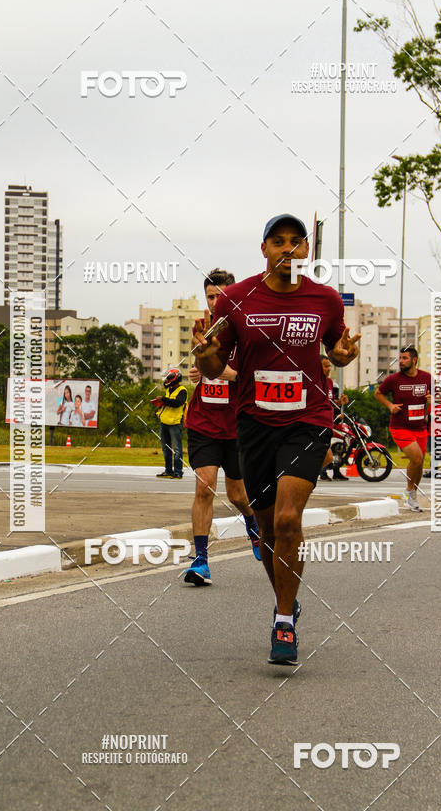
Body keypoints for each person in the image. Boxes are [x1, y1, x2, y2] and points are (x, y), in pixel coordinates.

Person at [193, 213, 360, 665]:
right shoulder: (233, 299)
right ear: (264, 249)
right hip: (254, 422)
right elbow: (214, 366)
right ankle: (287, 595)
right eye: (277, 241)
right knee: (267, 529)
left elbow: (335, 350)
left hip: (308, 419)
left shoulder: (325, 300)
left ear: (305, 250)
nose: (287, 249)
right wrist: (207, 358)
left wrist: (341, 356)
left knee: (288, 520)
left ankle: (283, 620)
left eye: (295, 242)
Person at [183, 268, 261, 586]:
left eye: (221, 295)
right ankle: (201, 561)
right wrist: (197, 371)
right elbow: (201, 366)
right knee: (205, 486)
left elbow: (251, 376)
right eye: (211, 296)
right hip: (203, 421)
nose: (216, 301)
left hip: (237, 424)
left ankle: (252, 523)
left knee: (238, 493)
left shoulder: (248, 329)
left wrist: (220, 372)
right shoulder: (204, 329)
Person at [374, 346, 431, 512]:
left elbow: (438, 396)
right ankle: (409, 493)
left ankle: (411, 493)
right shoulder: (394, 379)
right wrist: (390, 406)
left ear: (414, 360)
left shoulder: (426, 378)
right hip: (400, 427)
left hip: (420, 427)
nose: (401, 361)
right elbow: (378, 393)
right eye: (400, 358)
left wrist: (431, 399)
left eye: (405, 358)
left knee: (418, 464)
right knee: (417, 458)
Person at [154, 369, 187, 479]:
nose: (167, 381)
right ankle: (168, 470)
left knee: (177, 449)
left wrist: (163, 399)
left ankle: (178, 472)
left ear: (175, 378)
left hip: (174, 423)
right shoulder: (169, 390)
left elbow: (177, 403)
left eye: (169, 378)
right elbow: (167, 402)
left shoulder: (182, 391)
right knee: (165, 448)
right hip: (164, 423)